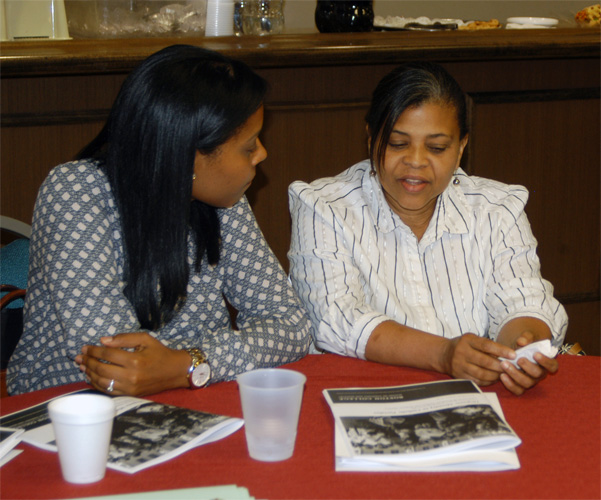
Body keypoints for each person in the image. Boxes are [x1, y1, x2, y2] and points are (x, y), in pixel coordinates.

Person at [7, 45, 311, 396]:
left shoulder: (223, 200)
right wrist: (195, 365)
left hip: (189, 397)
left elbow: (291, 325)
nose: (262, 154)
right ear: (187, 156)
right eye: (249, 146)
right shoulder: (75, 191)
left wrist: (189, 365)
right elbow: (115, 359)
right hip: (69, 404)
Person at [288, 61, 567, 396]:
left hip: (475, 400)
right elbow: (336, 318)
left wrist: (523, 348)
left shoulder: (497, 208)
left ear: (461, 148)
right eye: (397, 143)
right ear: (371, 138)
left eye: (436, 148)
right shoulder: (324, 207)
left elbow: (523, 301)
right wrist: (444, 354)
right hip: (365, 397)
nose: (416, 161)